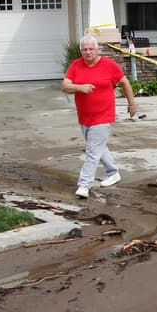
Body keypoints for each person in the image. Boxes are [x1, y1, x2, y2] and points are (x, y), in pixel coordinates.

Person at [62, 34, 137, 198]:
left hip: (103, 115)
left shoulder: (109, 65)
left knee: (92, 151)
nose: (88, 52)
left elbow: (125, 83)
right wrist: (79, 87)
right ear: (81, 51)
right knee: (98, 147)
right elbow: (65, 86)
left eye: (91, 49)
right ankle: (113, 172)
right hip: (84, 116)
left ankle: (84, 185)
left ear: (97, 49)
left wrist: (131, 104)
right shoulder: (76, 65)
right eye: (84, 49)